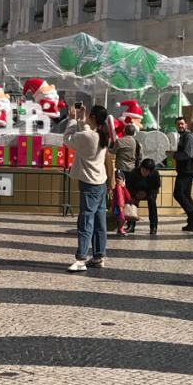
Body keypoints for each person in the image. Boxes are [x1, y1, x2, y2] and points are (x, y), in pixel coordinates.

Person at [63, 102, 113, 272]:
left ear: (93, 118)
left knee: (85, 221)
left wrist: (71, 120)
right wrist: (82, 118)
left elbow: (68, 139)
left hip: (89, 184)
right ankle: (99, 256)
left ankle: (81, 259)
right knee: (100, 222)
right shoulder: (102, 134)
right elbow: (86, 133)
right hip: (100, 183)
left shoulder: (89, 136)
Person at [172, 116, 193, 233]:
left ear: (186, 125)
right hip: (184, 170)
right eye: (178, 124)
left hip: (187, 170)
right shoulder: (182, 137)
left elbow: (189, 154)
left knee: (178, 193)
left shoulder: (189, 137)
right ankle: (192, 222)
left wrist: (174, 155)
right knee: (186, 195)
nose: (180, 126)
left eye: (182, 123)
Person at [126, 157, 161, 235]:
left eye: (146, 171)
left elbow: (156, 187)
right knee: (132, 203)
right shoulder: (134, 173)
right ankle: (131, 225)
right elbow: (129, 186)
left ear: (150, 171)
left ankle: (153, 227)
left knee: (152, 203)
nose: (144, 172)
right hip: (136, 192)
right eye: (143, 169)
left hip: (149, 192)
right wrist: (135, 194)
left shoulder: (155, 174)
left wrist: (147, 193)